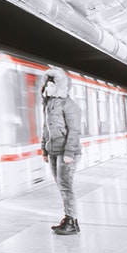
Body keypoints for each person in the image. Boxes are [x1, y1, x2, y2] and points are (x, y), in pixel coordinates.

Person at [41, 69, 85, 235]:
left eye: (52, 84)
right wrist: (44, 149)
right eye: (48, 83)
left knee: (66, 187)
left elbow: (74, 131)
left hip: (67, 153)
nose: (48, 86)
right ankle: (69, 219)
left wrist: (69, 153)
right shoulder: (48, 104)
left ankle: (71, 221)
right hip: (53, 152)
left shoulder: (70, 105)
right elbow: (46, 129)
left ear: (60, 86)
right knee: (61, 186)